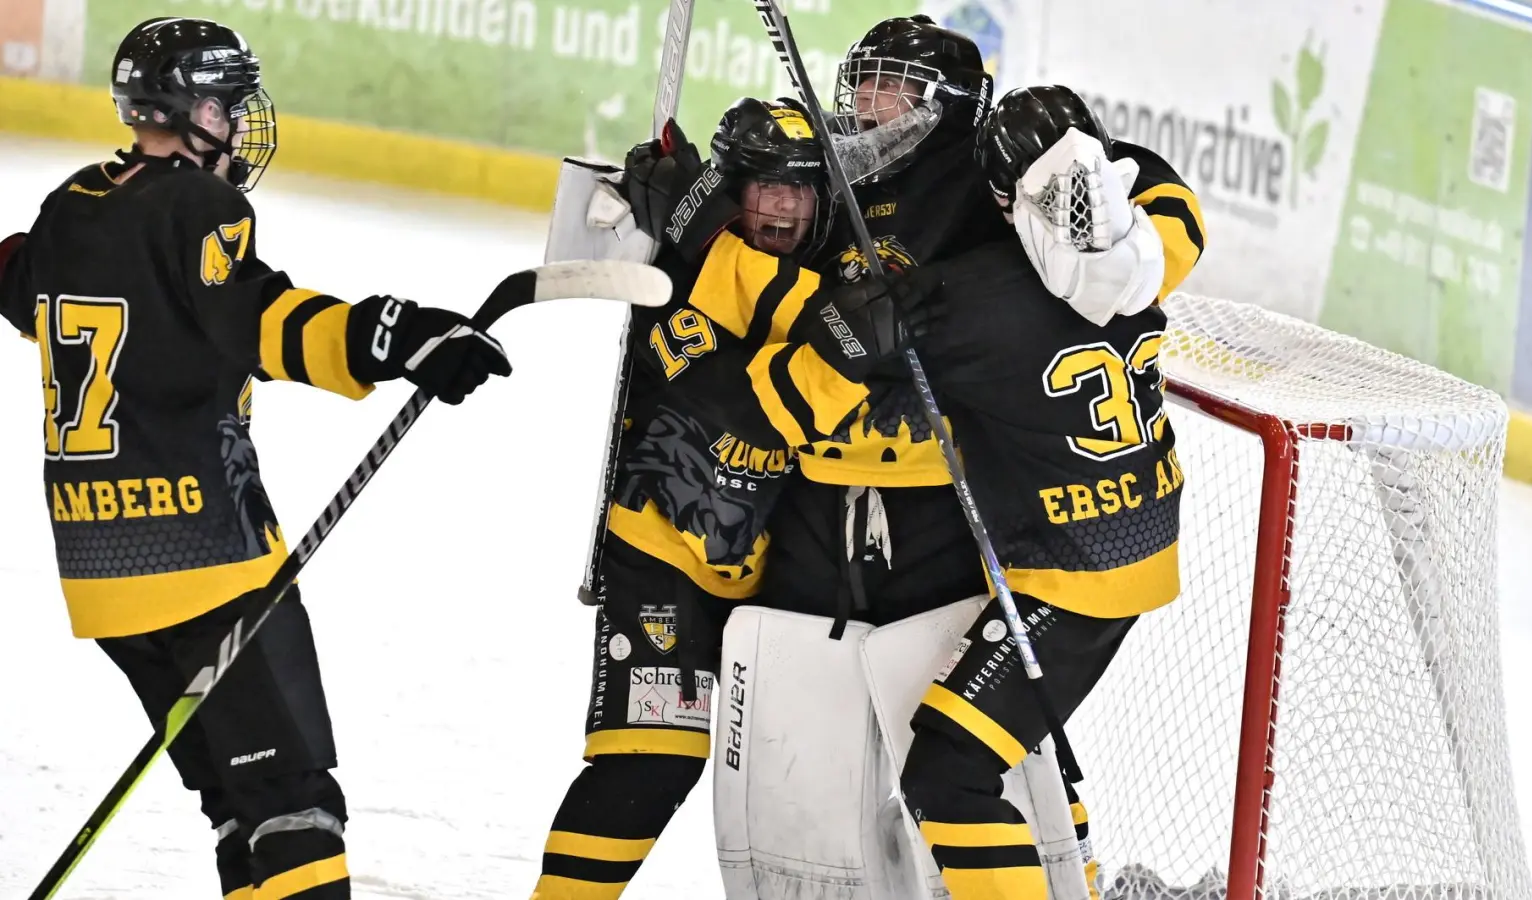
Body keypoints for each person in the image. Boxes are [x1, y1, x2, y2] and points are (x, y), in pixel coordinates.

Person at [0, 18, 510, 900]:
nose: (241, 125)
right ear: (196, 108)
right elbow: (263, 319)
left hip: (101, 577)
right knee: (293, 805)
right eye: (231, 107)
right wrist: (401, 337)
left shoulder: (70, 205)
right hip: (206, 561)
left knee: (240, 808)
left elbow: (20, 281)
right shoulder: (198, 205)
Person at [532, 97, 877, 900]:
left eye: (801, 188)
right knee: (648, 766)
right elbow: (735, 399)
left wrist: (709, 224)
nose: (784, 206)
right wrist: (699, 232)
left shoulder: (804, 268)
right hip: (661, 554)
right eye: (763, 187)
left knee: (805, 785)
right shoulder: (674, 272)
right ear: (731, 190)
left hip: (771, 576)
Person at [882, 82, 1206, 900]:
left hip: (1069, 572)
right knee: (1018, 731)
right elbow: (1168, 194)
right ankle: (1080, 866)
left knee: (951, 775)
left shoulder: (976, 298)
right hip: (1129, 531)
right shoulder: (1152, 243)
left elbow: (853, 380)